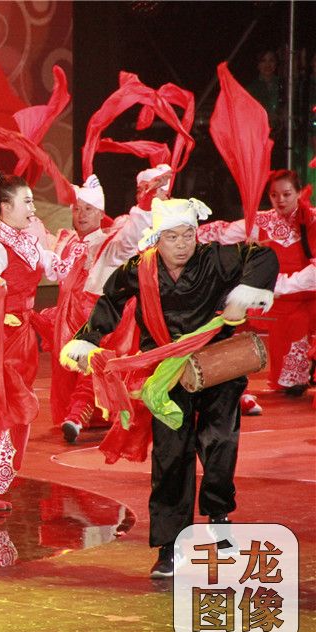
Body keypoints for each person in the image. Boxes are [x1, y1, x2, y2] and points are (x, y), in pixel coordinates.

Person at [62, 197, 277, 577]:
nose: (181, 244)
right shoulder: (140, 268)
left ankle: (218, 514)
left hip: (215, 365)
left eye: (188, 235)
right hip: (165, 373)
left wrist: (242, 295)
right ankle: (169, 545)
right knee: (171, 456)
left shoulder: (214, 258)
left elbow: (263, 256)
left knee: (219, 441)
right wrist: (87, 340)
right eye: (172, 237)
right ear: (157, 239)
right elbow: (110, 302)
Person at [0, 172, 83, 511]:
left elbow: (54, 269)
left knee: (8, 406)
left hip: (20, 331)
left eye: (32, 200)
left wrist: (77, 252)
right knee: (6, 405)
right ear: (6, 206)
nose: (32, 207)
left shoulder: (27, 236)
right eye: (26, 201)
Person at [44, 169, 162, 442]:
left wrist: (145, 204)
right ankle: (80, 415)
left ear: (100, 213)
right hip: (68, 317)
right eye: (77, 209)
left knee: (93, 366)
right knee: (72, 370)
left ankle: (77, 416)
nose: (81, 214)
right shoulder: (66, 240)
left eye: (88, 209)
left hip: (102, 318)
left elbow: (132, 236)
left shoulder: (111, 243)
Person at [197, 169, 316, 394]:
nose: (280, 200)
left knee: (300, 325)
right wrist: (183, 232)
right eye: (274, 195)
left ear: (299, 193)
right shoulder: (262, 221)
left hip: (309, 298)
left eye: (287, 194)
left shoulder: (312, 221)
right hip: (280, 302)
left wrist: (281, 285)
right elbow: (224, 233)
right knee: (287, 380)